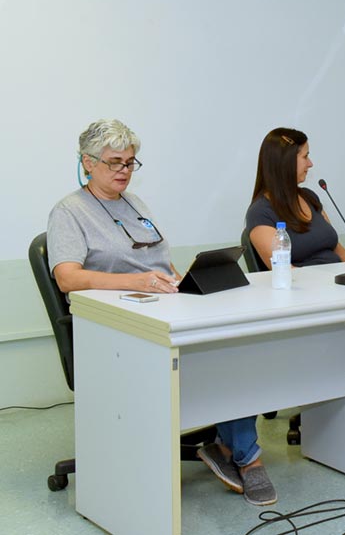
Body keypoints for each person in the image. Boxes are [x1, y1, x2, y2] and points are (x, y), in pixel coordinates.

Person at [46, 119, 277, 507]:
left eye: (131, 163)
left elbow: (156, 260)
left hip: (161, 308)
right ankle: (247, 459)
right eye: (115, 162)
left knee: (235, 345)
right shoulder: (69, 211)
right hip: (113, 325)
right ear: (87, 163)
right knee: (222, 358)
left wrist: (182, 277)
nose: (124, 171)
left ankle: (230, 447)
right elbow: (67, 278)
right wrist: (136, 283)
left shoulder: (135, 204)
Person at [245, 128, 345, 269]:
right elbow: (283, 270)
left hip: (337, 282)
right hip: (308, 287)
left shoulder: (309, 197)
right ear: (286, 161)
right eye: (305, 156)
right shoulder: (260, 213)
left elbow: (335, 246)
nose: (310, 164)